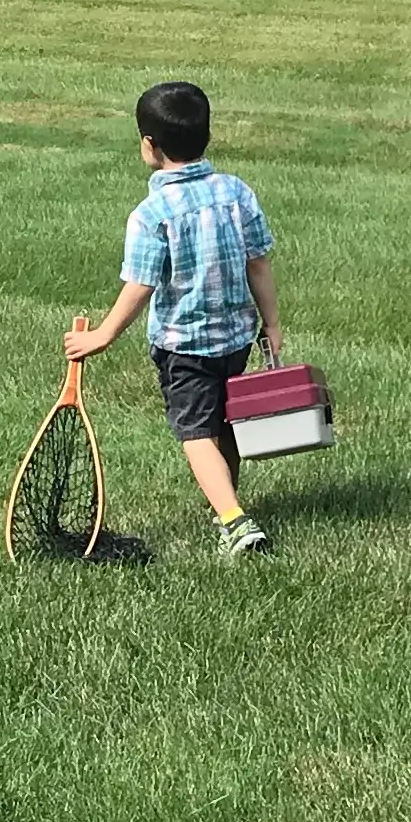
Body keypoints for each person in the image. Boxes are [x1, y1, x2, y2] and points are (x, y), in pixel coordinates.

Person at [65, 79, 281, 559]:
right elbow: (259, 262)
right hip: (235, 337)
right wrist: (272, 323)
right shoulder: (235, 192)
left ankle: (235, 522)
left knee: (195, 431)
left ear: (149, 145)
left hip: (183, 344)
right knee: (225, 422)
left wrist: (103, 334)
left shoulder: (152, 213)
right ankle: (226, 505)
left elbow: (140, 285)